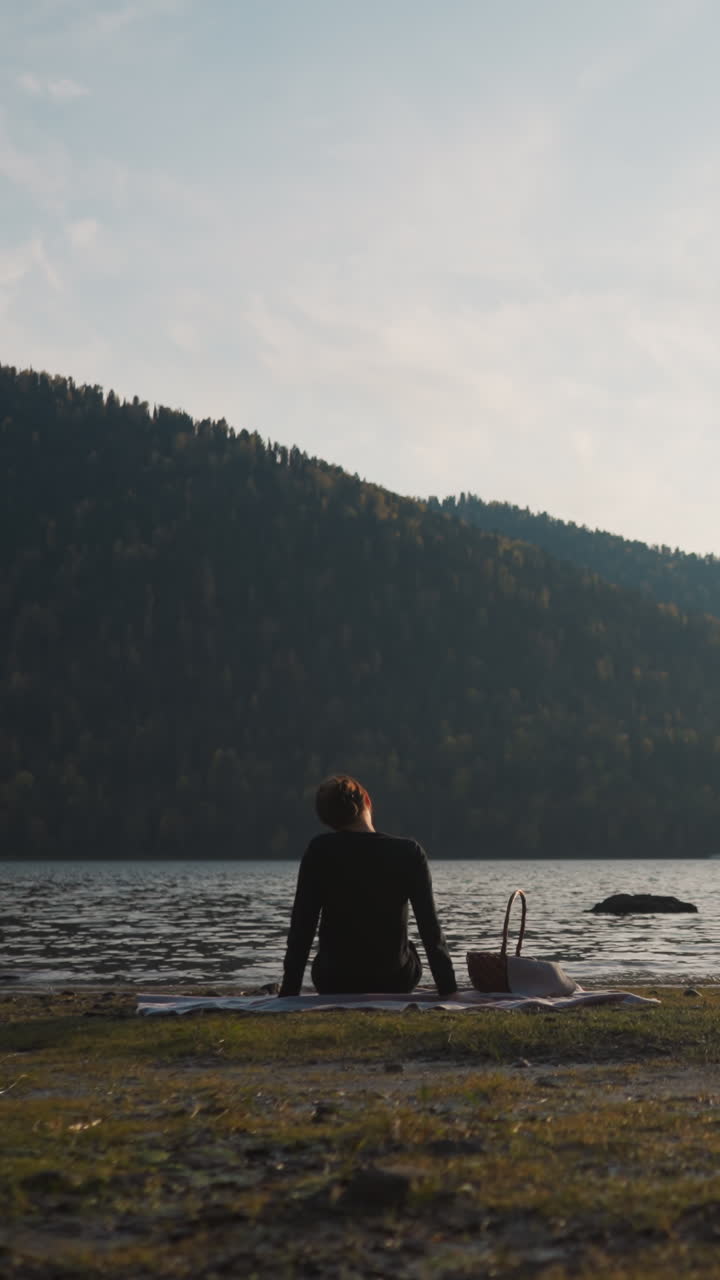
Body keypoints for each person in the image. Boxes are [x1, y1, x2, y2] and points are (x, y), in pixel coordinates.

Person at [279, 775, 458, 998]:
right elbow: (429, 927)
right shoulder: (408, 852)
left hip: (333, 981)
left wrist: (288, 993)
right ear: (367, 800)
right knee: (409, 947)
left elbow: (302, 928)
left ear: (329, 820)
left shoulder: (319, 850)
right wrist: (449, 990)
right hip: (395, 980)